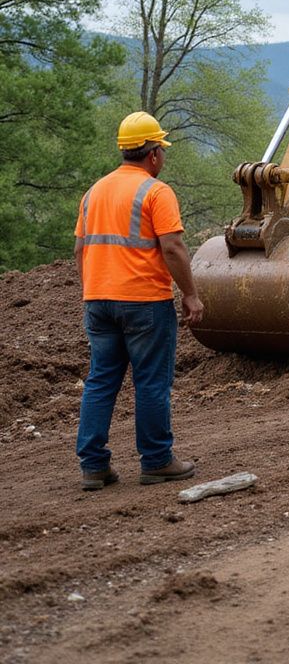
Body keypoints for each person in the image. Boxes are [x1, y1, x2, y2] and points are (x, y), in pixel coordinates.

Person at [74, 112, 204, 490]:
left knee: (100, 381)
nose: (163, 156)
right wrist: (191, 295)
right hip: (145, 302)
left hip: (98, 301)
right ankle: (157, 460)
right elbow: (174, 248)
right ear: (152, 155)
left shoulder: (93, 192)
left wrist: (93, 290)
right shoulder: (156, 192)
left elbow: (81, 248)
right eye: (161, 149)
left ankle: (94, 466)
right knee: (151, 383)